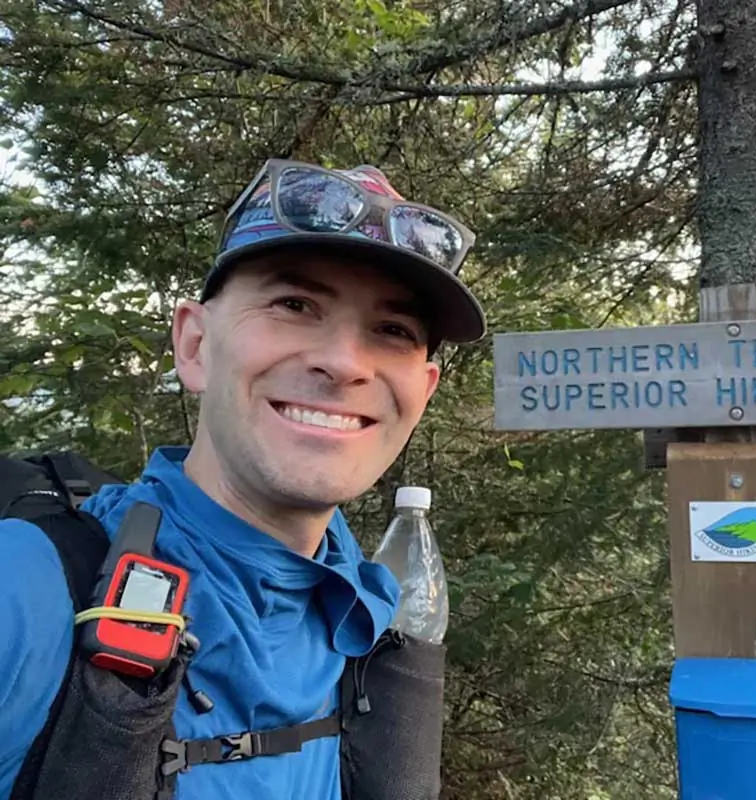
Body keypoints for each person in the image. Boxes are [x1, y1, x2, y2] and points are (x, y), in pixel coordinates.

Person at [0, 159, 487, 798]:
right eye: (294, 304)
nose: (345, 363)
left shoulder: (370, 630)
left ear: (422, 393)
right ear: (194, 346)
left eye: (393, 331)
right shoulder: (24, 591)